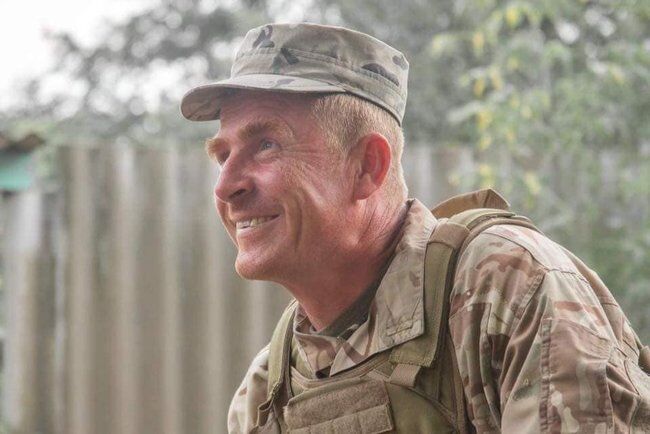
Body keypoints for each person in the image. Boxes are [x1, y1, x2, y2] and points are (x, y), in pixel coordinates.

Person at [181, 22, 650, 433]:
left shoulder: (504, 290)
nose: (225, 186)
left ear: (367, 166)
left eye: (266, 145)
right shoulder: (268, 388)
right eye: (222, 156)